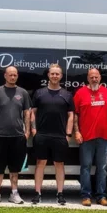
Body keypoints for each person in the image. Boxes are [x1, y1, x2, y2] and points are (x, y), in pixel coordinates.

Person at [73, 68, 107, 207]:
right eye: (91, 77)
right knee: (85, 167)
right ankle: (86, 196)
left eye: (96, 77)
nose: (94, 79)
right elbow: (75, 114)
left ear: (100, 78)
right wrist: (77, 131)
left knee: (102, 168)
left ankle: (101, 196)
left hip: (104, 138)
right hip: (86, 137)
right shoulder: (80, 93)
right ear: (88, 78)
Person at [0, 66, 31, 204]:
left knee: (14, 168)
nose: (13, 77)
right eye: (10, 75)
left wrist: (27, 131)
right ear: (5, 76)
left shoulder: (23, 93)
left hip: (17, 136)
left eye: (15, 75)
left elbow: (27, 113)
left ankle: (14, 193)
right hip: (0, 135)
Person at [30, 64, 74, 205]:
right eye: (52, 73)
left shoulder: (67, 95)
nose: (55, 76)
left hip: (60, 136)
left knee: (59, 164)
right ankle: (37, 193)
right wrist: (34, 130)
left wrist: (68, 135)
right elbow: (33, 113)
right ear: (48, 75)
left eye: (57, 74)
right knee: (40, 163)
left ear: (61, 76)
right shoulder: (39, 93)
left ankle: (60, 193)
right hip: (42, 134)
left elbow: (71, 116)